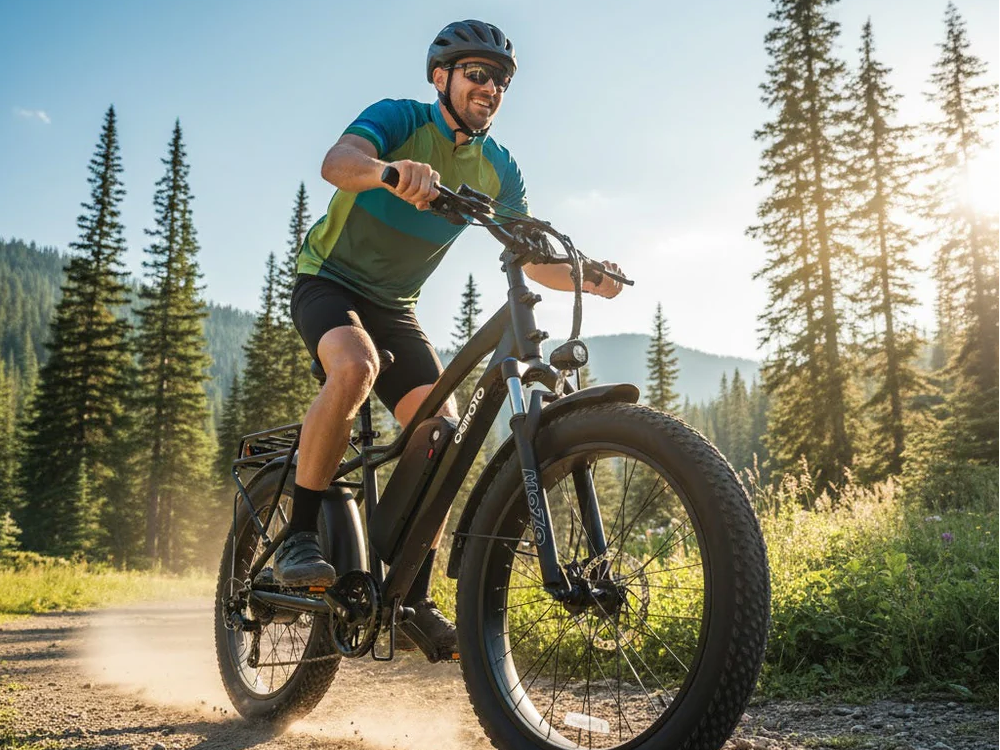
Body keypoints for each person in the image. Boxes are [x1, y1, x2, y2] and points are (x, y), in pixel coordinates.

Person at [278, 19, 622, 660]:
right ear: (443, 77)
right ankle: (300, 533)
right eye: (478, 74)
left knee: (441, 432)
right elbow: (337, 164)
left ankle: (408, 594)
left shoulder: (498, 168)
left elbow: (532, 252)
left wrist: (586, 276)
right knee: (354, 369)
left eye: (501, 81)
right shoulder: (401, 117)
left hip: (395, 306)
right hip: (328, 282)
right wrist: (388, 171)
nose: (490, 88)